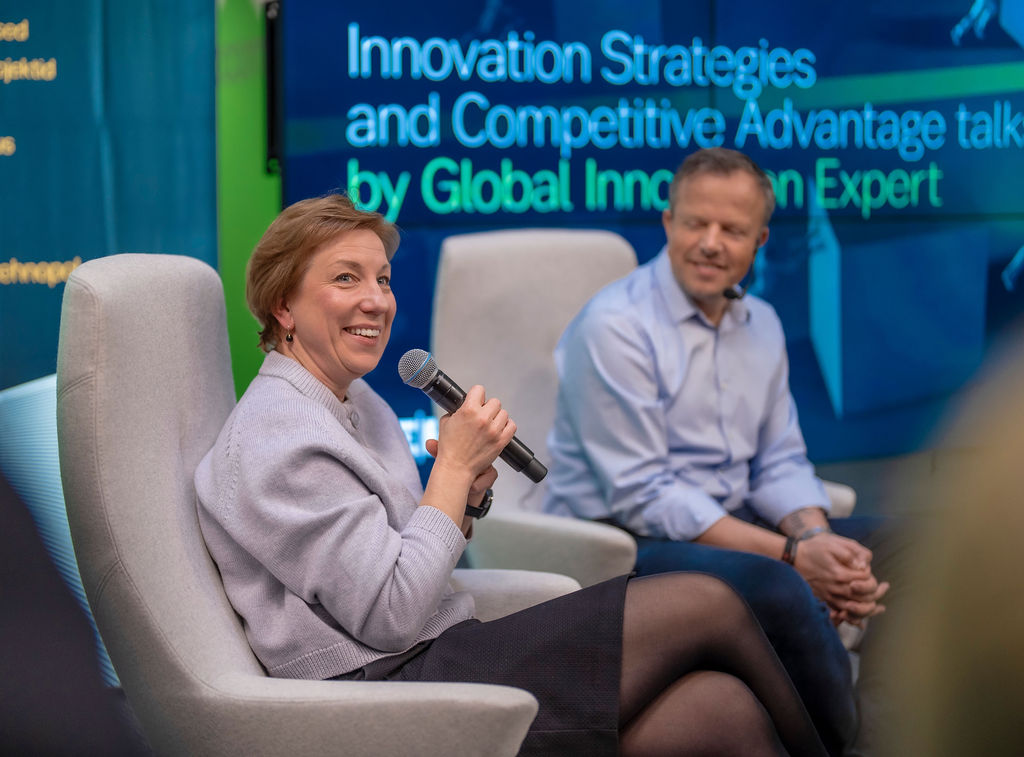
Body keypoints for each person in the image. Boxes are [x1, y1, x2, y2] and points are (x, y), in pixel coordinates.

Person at [194, 193, 830, 756]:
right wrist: (451, 469)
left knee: (719, 708)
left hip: (436, 648)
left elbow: (404, 562)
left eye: (383, 279)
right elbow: (391, 614)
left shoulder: (354, 400)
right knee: (707, 602)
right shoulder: (282, 438)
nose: (376, 301)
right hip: (384, 690)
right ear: (283, 306)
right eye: (345, 278)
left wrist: (464, 498)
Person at [543, 148, 903, 756]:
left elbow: (779, 462)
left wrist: (818, 542)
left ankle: (896, 730)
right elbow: (644, 494)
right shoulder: (615, 324)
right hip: (624, 540)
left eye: (732, 230)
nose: (710, 243)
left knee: (908, 546)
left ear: (759, 240)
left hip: (734, 522)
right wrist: (793, 557)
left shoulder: (762, 323)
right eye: (695, 223)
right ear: (668, 223)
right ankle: (847, 746)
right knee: (777, 583)